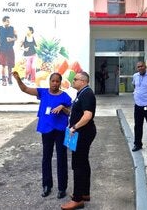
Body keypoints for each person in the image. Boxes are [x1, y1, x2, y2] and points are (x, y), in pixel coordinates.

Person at [12, 71, 72, 199]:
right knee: (46, 158)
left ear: (60, 83)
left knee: (62, 158)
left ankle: (62, 188)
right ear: (49, 81)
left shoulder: (65, 97)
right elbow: (25, 89)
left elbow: (69, 113)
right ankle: (47, 186)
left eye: (57, 81)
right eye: (53, 81)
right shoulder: (43, 92)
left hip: (61, 130)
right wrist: (18, 79)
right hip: (47, 130)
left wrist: (63, 107)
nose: (55, 83)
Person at [61, 72, 96, 210]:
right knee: (83, 163)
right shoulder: (82, 93)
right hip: (81, 133)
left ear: (83, 81)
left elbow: (87, 116)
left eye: (75, 79)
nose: (73, 81)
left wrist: (74, 127)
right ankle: (84, 193)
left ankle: (77, 199)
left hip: (82, 133)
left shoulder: (87, 94)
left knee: (78, 165)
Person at [0, 15, 17, 86]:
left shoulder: (12, 28)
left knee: (10, 65)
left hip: (10, 48)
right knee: (3, 65)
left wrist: (11, 39)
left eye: (9, 21)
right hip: (1, 49)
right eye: (7, 21)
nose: (9, 22)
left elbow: (16, 37)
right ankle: (4, 79)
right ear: (3, 22)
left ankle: (10, 79)